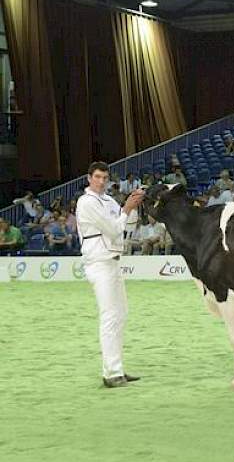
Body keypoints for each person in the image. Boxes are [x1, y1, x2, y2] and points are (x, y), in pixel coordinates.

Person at [77, 161, 144, 388]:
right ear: (89, 178)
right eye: (97, 177)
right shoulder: (86, 202)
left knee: (120, 314)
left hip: (114, 262)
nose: (101, 181)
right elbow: (114, 228)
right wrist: (126, 208)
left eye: (105, 178)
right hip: (98, 262)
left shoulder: (108, 200)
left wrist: (133, 207)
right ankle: (111, 373)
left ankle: (117, 369)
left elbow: (128, 227)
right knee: (109, 316)